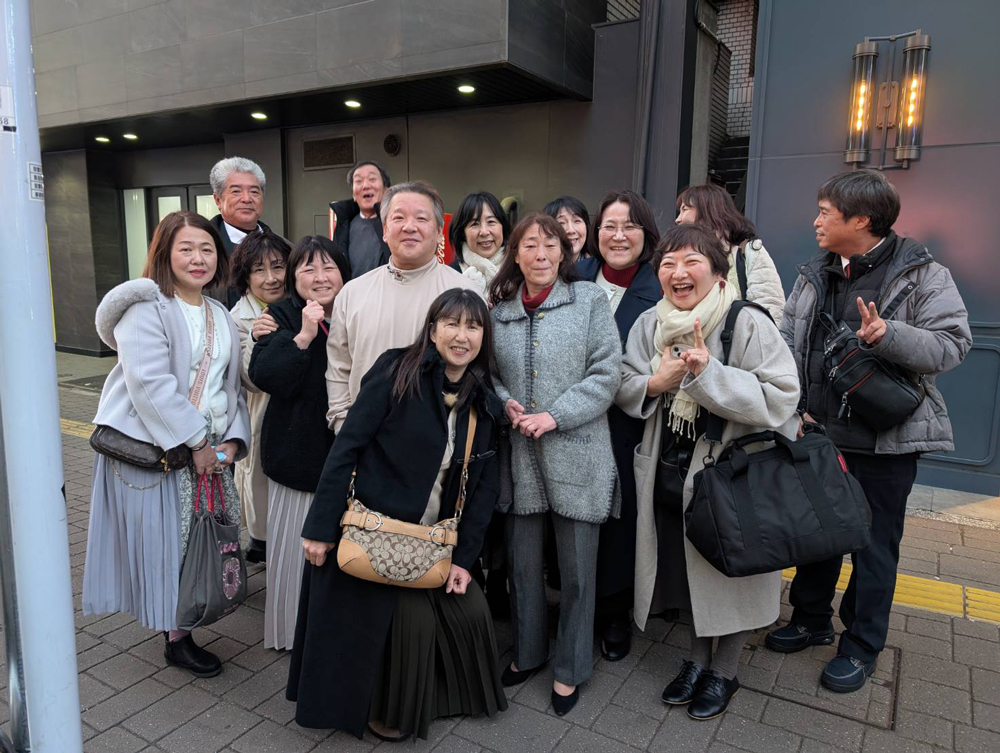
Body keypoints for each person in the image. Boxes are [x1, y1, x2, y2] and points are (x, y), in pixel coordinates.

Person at [766, 169, 972, 693]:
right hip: (818, 433)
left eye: (824, 213)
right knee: (816, 536)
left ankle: (860, 645)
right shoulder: (814, 273)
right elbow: (787, 342)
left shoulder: (923, 274)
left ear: (860, 220)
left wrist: (889, 335)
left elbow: (953, 343)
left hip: (886, 441)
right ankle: (810, 620)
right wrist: (793, 410)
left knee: (874, 547)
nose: (815, 221)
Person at [288, 289, 508, 741]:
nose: (462, 336)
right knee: (410, 622)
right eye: (451, 324)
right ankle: (375, 706)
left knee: (473, 611)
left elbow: (481, 492)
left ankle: (430, 698)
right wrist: (320, 527)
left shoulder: (483, 402)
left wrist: (465, 560)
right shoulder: (397, 371)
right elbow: (347, 447)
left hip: (431, 542)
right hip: (370, 532)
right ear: (432, 330)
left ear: (484, 338)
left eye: (473, 327)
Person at [618, 223, 799, 719]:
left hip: (735, 475)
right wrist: (656, 383)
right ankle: (697, 660)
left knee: (733, 571)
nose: (678, 273)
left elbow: (782, 396)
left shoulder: (746, 321)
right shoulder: (650, 324)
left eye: (691, 262)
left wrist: (708, 375)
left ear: (719, 274)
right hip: (672, 470)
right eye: (668, 264)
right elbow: (625, 381)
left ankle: (726, 669)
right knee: (691, 570)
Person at [83, 211, 250, 678]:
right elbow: (148, 383)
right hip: (159, 452)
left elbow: (231, 387)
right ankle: (175, 637)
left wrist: (233, 441)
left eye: (207, 249)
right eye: (186, 249)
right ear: (164, 253)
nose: (199, 258)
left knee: (195, 540)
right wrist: (197, 442)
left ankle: (186, 617)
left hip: (207, 452)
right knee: (167, 544)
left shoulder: (219, 312)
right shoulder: (146, 307)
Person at [488, 213, 621, 716]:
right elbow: (487, 372)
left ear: (565, 253)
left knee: (578, 572)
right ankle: (527, 652)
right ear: (515, 254)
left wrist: (555, 415)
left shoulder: (588, 300)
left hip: (579, 450)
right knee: (522, 566)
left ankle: (570, 667)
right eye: (529, 245)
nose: (540, 254)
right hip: (519, 455)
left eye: (550, 245)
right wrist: (504, 401)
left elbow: (607, 373)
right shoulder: (499, 311)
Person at [249, 236, 351, 651]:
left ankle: (336, 634)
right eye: (308, 269)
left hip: (348, 456)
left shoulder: (357, 310)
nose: (320, 277)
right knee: (296, 552)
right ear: (294, 278)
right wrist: (304, 336)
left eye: (329, 267)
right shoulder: (281, 315)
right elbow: (266, 376)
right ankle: (294, 634)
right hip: (298, 457)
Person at [575, 189, 661, 662]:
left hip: (627, 424)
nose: (618, 235)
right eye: (609, 225)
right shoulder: (576, 275)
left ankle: (613, 612)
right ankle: (575, 603)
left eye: (630, 226)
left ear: (646, 233)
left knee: (620, 520)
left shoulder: (661, 286)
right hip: (571, 422)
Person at [326, 180, 480, 433]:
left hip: (441, 442)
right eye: (398, 218)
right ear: (385, 230)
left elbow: (478, 369)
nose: (410, 227)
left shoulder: (466, 292)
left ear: (439, 231)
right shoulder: (352, 293)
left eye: (421, 218)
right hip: (364, 438)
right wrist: (343, 424)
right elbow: (338, 368)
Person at [228, 229, 292, 564]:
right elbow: (250, 380)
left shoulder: (303, 305)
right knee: (263, 495)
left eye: (278, 266)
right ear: (246, 277)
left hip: (303, 420)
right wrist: (256, 339)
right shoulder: (238, 320)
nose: (271, 278)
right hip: (264, 419)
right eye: (259, 270)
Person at [675, 183, 785, 324]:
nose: (678, 219)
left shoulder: (748, 250)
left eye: (685, 209)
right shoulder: (679, 255)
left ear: (708, 210)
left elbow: (770, 307)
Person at [208, 157, 281, 307]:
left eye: (254, 192)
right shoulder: (203, 251)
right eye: (236, 191)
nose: (247, 199)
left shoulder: (284, 247)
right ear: (218, 200)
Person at [330, 160, 392, 278]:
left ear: (386, 190)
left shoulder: (396, 223)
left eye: (372, 179)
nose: (365, 186)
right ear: (353, 194)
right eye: (358, 181)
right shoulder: (344, 227)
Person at [448, 191, 511, 295]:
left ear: (503, 227)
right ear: (463, 233)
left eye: (491, 222)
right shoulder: (450, 276)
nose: (484, 232)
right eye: (474, 224)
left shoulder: (519, 269)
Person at [543, 195, 590, 262]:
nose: (571, 230)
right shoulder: (540, 265)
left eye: (577, 221)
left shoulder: (598, 266)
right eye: (561, 223)